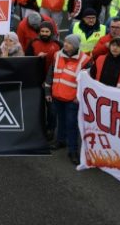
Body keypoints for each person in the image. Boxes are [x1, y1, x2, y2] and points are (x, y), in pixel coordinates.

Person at [45, 34, 88, 165]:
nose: (65, 44)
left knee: (71, 124)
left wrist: (78, 97)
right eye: (65, 42)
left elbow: (86, 82)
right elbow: (50, 74)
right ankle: (61, 141)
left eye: (69, 43)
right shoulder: (57, 55)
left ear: (74, 46)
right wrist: (48, 91)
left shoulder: (85, 60)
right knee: (61, 120)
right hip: (57, 96)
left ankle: (73, 150)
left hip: (72, 99)